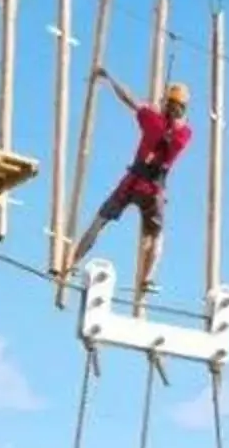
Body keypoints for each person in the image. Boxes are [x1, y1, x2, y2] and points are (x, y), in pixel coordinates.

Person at [66, 73, 194, 305]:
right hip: (154, 190)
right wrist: (166, 113)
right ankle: (147, 279)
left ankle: (72, 262)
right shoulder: (184, 135)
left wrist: (111, 79)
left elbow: (128, 99)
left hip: (132, 181)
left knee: (99, 222)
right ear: (183, 109)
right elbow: (178, 126)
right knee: (156, 236)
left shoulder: (152, 120)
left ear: (167, 103)